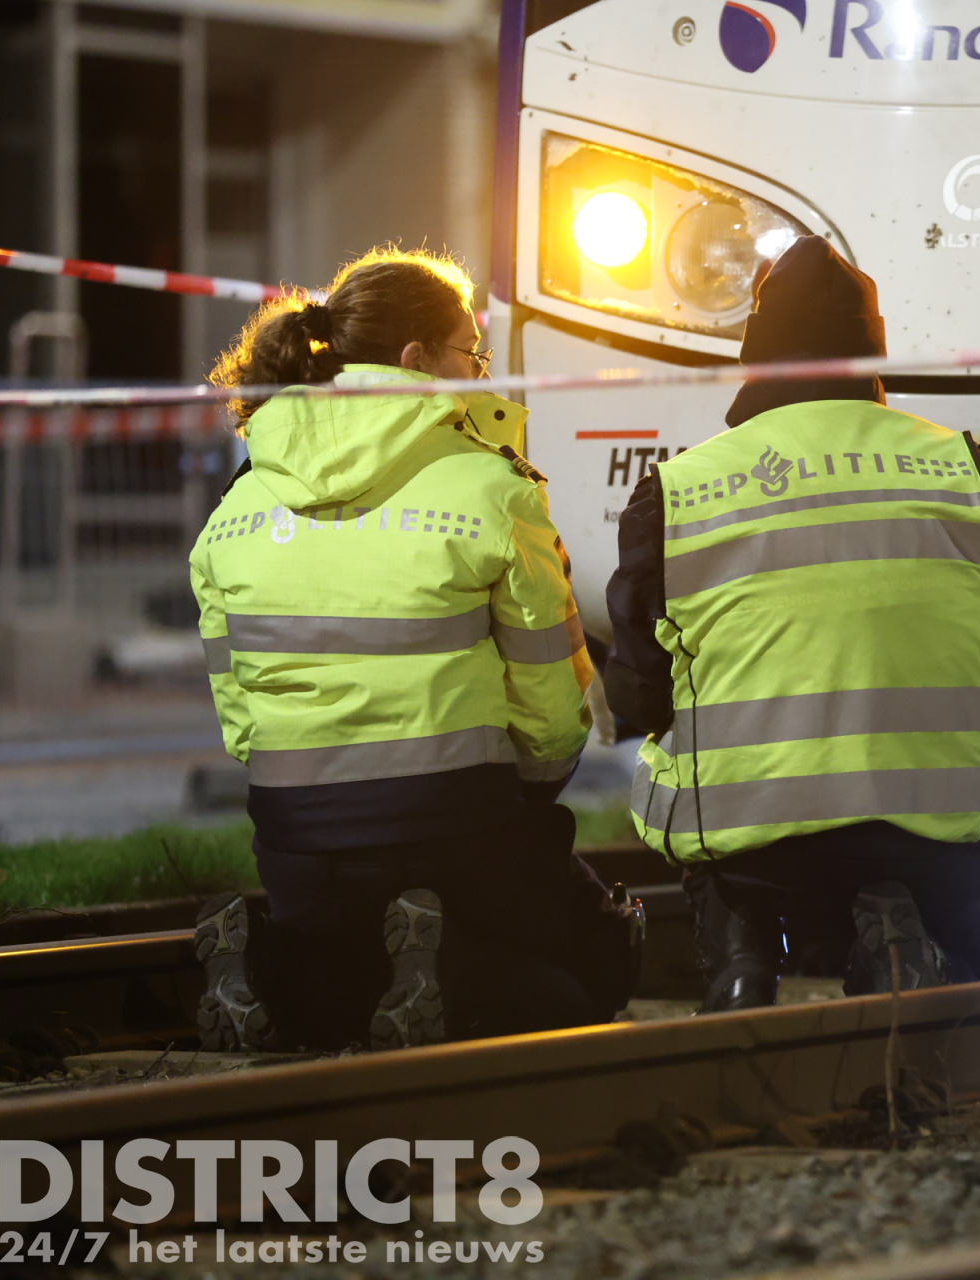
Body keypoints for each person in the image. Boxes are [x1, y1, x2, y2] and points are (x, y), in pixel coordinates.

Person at [603, 236, 980, 1010]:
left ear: (756, 354)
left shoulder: (677, 491)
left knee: (688, 794)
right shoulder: (977, 476)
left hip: (752, 842)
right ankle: (937, 940)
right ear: (872, 356)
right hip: (940, 837)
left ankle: (743, 959)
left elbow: (636, 693)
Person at [191, 248, 642, 1052]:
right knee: (589, 976)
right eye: (472, 353)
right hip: (455, 822)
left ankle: (264, 970)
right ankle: (446, 963)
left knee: (343, 980)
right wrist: (527, 794)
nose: (479, 374)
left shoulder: (234, 509)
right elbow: (551, 712)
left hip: (297, 839)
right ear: (417, 358)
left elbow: (240, 724)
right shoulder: (493, 490)